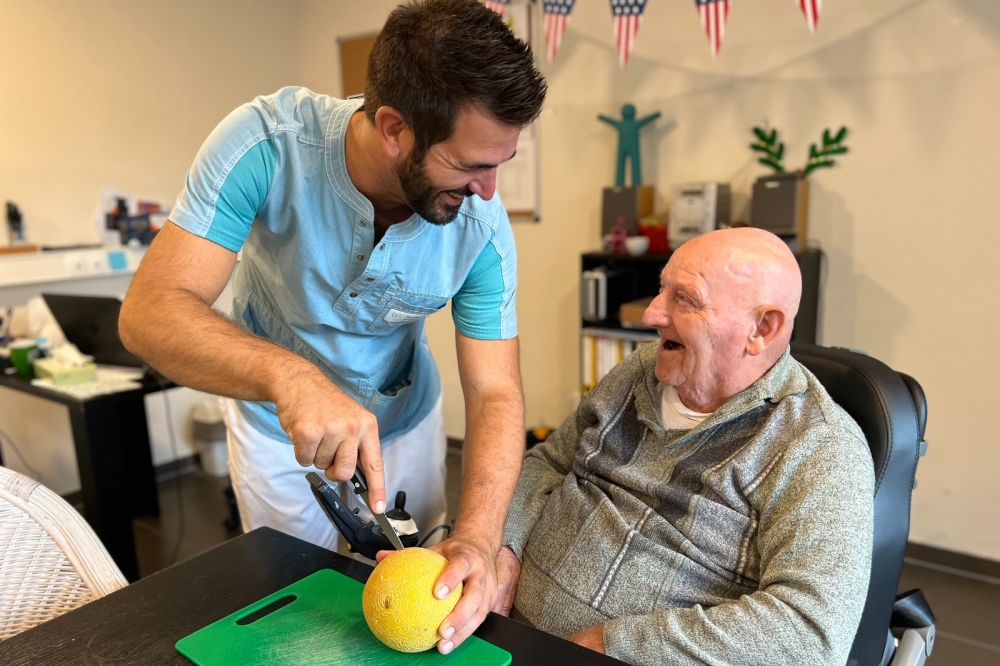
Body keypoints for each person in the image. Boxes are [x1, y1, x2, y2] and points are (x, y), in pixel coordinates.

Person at [119, 0, 546, 654]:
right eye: (468, 166)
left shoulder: (481, 230)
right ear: (394, 128)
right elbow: (149, 313)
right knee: (293, 605)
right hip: (275, 428)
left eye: (500, 164)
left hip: (405, 422)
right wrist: (291, 379)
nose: (489, 192)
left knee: (419, 610)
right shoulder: (264, 145)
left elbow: (495, 391)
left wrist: (482, 538)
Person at [495, 228, 875, 665]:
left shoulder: (819, 446)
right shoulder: (639, 369)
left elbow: (809, 633)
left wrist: (614, 646)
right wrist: (503, 547)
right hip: (504, 626)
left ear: (762, 328)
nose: (652, 314)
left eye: (685, 299)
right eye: (662, 290)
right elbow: (549, 461)